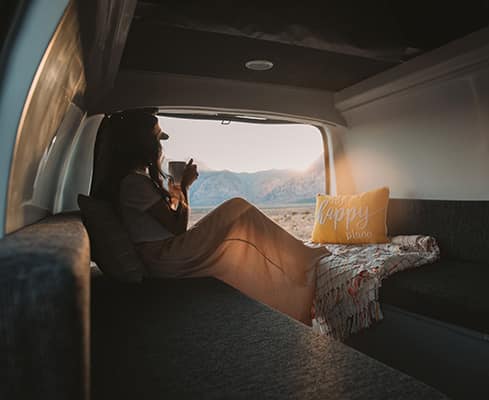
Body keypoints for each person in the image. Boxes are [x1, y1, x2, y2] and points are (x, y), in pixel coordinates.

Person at [108, 110, 329, 324]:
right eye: (158, 138)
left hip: (167, 253)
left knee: (238, 213)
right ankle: (302, 259)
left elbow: (169, 223)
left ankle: (295, 259)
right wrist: (184, 186)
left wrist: (177, 191)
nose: (161, 146)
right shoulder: (134, 183)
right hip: (166, 257)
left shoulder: (138, 181)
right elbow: (178, 228)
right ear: (143, 144)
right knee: (237, 207)